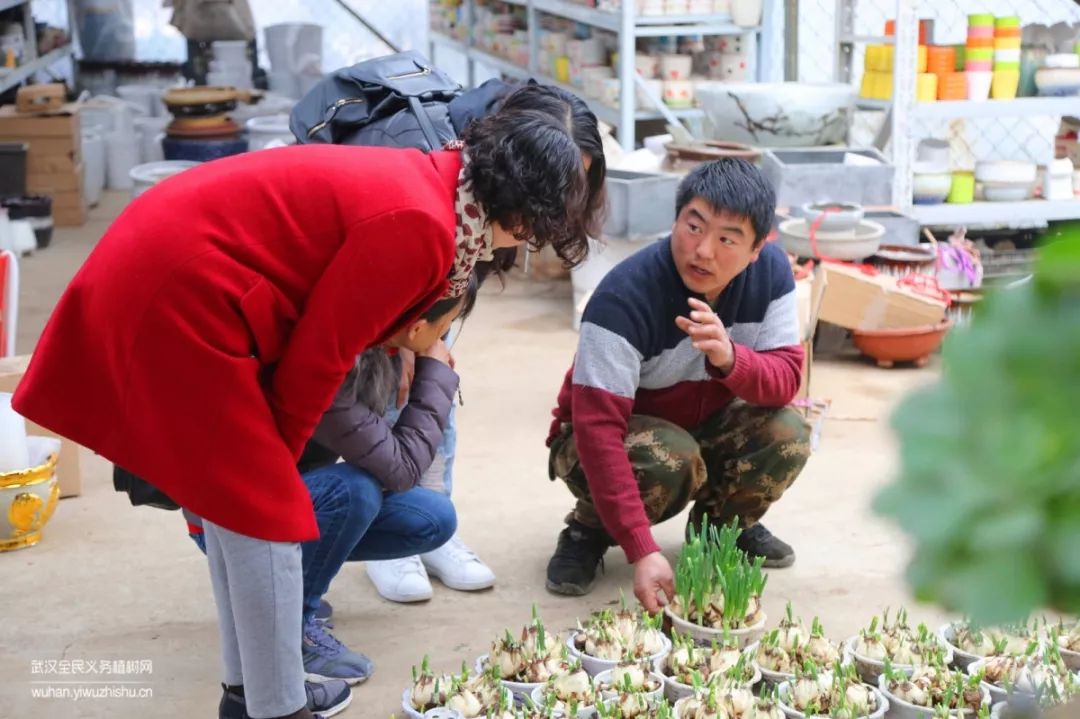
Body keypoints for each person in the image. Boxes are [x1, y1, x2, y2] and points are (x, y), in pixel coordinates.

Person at [14, 83, 604, 719]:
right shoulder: (423, 226)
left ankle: (255, 693)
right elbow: (317, 364)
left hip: (184, 267)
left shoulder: (441, 190)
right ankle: (277, 707)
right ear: (525, 208)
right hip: (182, 287)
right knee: (262, 509)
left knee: (239, 510)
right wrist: (278, 473)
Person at [360, 83, 608, 603]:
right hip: (380, 272)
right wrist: (400, 340)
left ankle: (429, 525)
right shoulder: (440, 177)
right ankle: (386, 536)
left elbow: (461, 280)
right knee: (388, 394)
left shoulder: (492, 210)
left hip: (440, 262)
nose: (560, 205)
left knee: (437, 385)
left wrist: (433, 338)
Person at [184, 273, 478, 712]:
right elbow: (400, 468)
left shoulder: (374, 341)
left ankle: (283, 614)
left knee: (431, 517)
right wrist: (435, 374)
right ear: (417, 325)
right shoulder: (333, 355)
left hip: (277, 496)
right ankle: (294, 630)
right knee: (354, 491)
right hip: (233, 518)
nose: (443, 339)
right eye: (444, 326)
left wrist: (409, 355)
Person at [543, 158, 813, 613]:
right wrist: (642, 550)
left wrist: (731, 358)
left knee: (789, 433)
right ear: (675, 219)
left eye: (727, 239)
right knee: (671, 454)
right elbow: (597, 431)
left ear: (756, 249)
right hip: (600, 438)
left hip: (704, 420)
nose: (703, 250)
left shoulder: (771, 274)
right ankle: (588, 529)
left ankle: (722, 530)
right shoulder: (622, 299)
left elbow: (785, 379)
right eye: (694, 226)